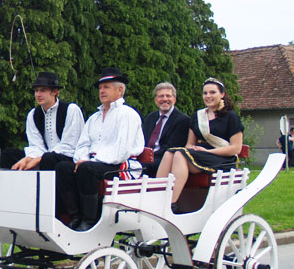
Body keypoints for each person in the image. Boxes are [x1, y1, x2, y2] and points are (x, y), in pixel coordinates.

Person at [55, 67, 144, 231]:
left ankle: (90, 220)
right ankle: (74, 216)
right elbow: (83, 144)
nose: (102, 91)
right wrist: (83, 159)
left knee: (87, 169)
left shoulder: (127, 114)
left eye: (106, 87)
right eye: (100, 88)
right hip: (95, 163)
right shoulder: (94, 118)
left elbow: (121, 151)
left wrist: (91, 162)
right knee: (63, 168)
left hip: (120, 165)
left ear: (119, 90)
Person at [156, 77, 244, 213]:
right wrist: (194, 149)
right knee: (169, 153)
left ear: (222, 94)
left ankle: (171, 204)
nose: (208, 96)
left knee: (179, 154)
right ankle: (157, 198)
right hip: (199, 156)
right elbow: (189, 144)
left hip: (221, 159)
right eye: (205, 93)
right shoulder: (198, 116)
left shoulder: (231, 117)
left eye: (212, 92)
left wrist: (207, 152)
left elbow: (236, 148)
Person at [11, 71, 84, 171]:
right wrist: (28, 159)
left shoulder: (71, 110)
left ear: (55, 92)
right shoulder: (33, 114)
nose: (38, 94)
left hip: (67, 158)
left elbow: (69, 146)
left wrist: (39, 159)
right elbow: (36, 145)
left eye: (43, 90)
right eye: (36, 90)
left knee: (48, 158)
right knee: (10, 155)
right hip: (45, 155)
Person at [141, 82, 190, 176]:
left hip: (164, 161)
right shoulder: (150, 118)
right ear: (156, 100)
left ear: (174, 99)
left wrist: (149, 157)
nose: (165, 99)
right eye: (161, 96)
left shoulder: (182, 120)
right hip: (146, 159)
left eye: (168, 96)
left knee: (137, 167)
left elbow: (172, 148)